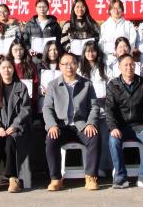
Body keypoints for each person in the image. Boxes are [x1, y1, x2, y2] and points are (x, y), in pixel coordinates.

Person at [43, 52, 101, 191]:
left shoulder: (87, 84)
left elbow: (94, 106)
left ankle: (91, 177)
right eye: (65, 64)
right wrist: (52, 125)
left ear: (77, 65)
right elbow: (47, 108)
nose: (69, 67)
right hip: (61, 126)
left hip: (81, 126)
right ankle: (56, 179)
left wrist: (90, 123)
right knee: (51, 140)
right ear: (60, 66)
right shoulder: (52, 85)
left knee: (94, 137)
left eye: (72, 63)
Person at [106, 54, 143, 189]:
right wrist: (113, 127)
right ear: (119, 67)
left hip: (139, 126)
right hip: (120, 127)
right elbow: (109, 109)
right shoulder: (113, 84)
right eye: (126, 65)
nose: (129, 67)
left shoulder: (142, 83)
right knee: (113, 140)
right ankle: (121, 178)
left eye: (132, 65)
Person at [0, 58, 32, 193]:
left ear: (13, 69)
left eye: (9, 67)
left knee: (11, 142)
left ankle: (13, 178)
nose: (6, 70)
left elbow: (26, 109)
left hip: (17, 129)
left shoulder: (21, 87)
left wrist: (15, 126)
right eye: (3, 67)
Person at [79, 40, 112, 176]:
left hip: (103, 109)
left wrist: (107, 95)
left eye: (93, 51)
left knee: (104, 137)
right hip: (87, 111)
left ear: (97, 52)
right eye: (87, 51)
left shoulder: (104, 67)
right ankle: (92, 168)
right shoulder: (80, 69)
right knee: (93, 138)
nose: (90, 54)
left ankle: (103, 167)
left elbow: (111, 84)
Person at [7, 40, 39, 115]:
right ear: (11, 50)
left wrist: (33, 99)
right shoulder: (7, 64)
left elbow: (35, 82)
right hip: (11, 99)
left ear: (24, 50)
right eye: (15, 50)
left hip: (27, 100)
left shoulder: (30, 65)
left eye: (21, 49)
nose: (18, 52)